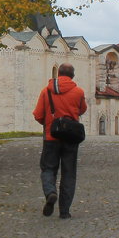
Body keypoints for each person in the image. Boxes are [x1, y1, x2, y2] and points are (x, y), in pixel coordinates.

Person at [32, 63, 87, 219]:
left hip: (51, 137)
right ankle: (65, 211)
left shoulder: (46, 91)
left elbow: (38, 114)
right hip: (71, 137)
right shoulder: (78, 91)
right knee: (69, 173)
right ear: (72, 76)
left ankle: (50, 192)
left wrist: (49, 123)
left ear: (58, 73)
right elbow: (82, 109)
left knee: (48, 169)